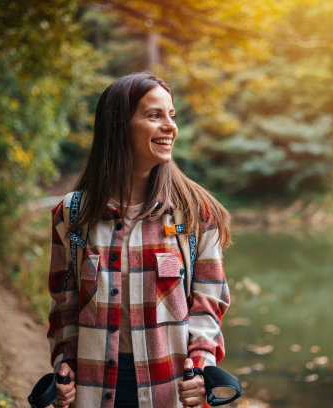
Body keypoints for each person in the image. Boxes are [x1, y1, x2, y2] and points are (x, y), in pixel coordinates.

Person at [47, 72, 231, 408]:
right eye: (154, 115)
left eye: (171, 115)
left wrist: (203, 369)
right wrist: (64, 368)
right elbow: (65, 310)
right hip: (94, 392)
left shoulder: (197, 214)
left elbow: (208, 308)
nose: (170, 126)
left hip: (172, 392)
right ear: (118, 126)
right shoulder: (72, 216)